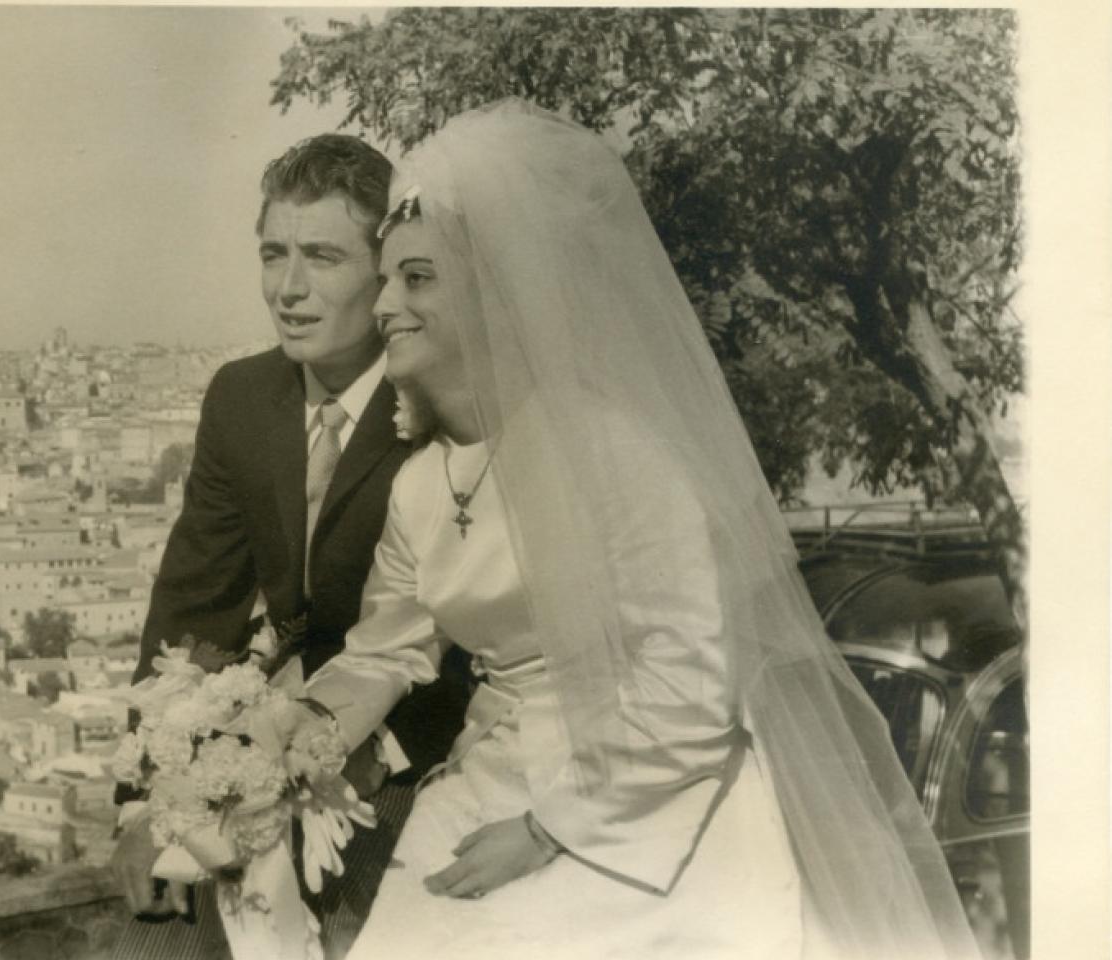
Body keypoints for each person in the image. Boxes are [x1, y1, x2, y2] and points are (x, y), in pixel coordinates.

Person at [278, 100, 980, 960]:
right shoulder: (420, 485)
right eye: (386, 279)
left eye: (418, 279)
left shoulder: (613, 453)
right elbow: (384, 653)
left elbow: (691, 672)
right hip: (491, 779)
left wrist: (549, 829)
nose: (386, 304)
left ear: (498, 296)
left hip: (646, 806)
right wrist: (274, 747)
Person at [107, 133, 472, 960]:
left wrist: (340, 766)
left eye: (323, 258)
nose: (289, 289)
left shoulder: (440, 400)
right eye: (274, 254)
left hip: (409, 752)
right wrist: (149, 800)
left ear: (383, 272)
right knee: (150, 949)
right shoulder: (243, 397)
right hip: (256, 747)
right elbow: (193, 606)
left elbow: (467, 638)